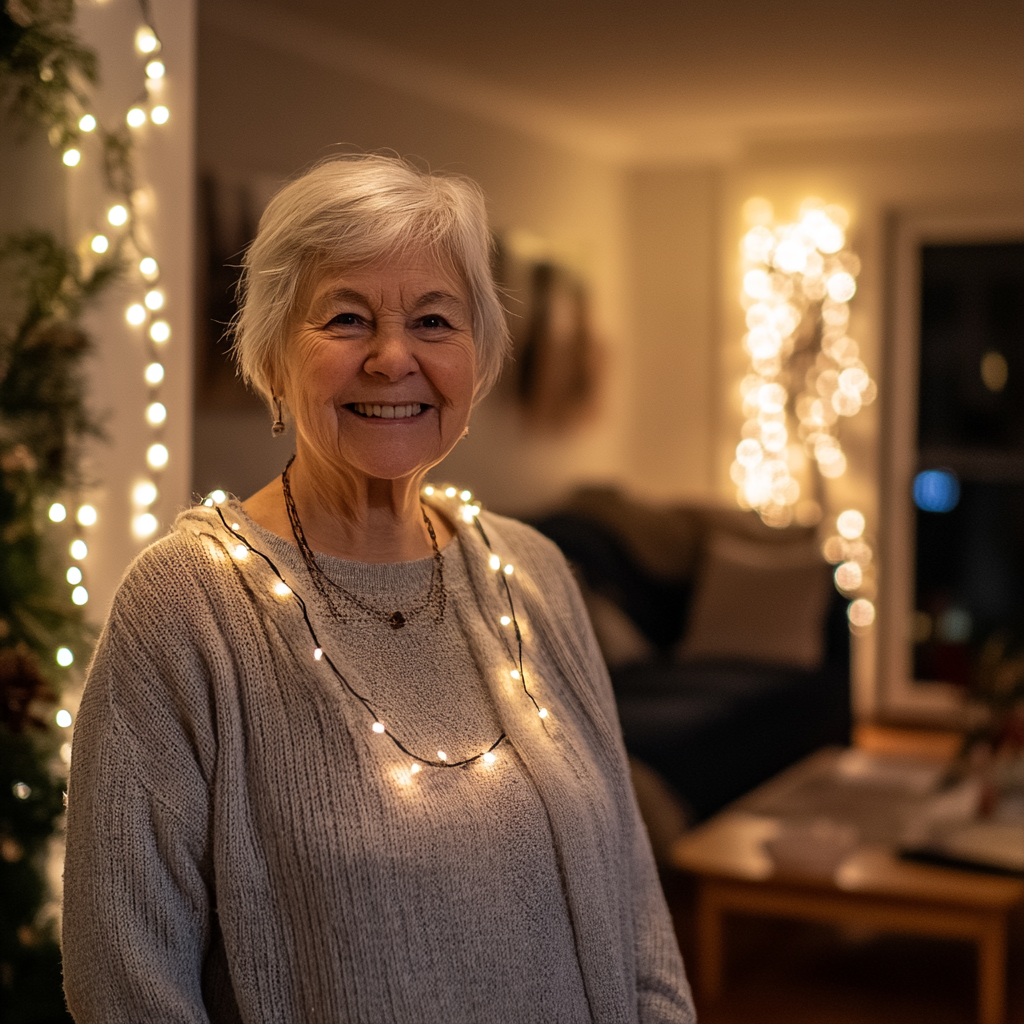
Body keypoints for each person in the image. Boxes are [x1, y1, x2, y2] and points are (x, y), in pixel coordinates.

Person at [61, 154, 695, 1024]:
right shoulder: (186, 608)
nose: (393, 358)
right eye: (346, 319)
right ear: (274, 356)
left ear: (477, 357)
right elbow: (123, 985)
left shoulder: (532, 572)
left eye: (435, 320)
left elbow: (636, 908)